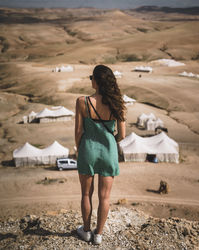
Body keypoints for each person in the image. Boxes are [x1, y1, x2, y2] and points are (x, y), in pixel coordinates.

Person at [75, 65, 126, 245]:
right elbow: (122, 135)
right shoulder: (117, 103)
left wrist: (79, 148)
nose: (91, 80)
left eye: (91, 77)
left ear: (96, 81)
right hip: (108, 151)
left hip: (87, 149)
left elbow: (79, 132)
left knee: (86, 195)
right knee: (104, 197)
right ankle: (98, 235)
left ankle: (86, 231)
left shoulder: (82, 101)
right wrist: (110, 140)